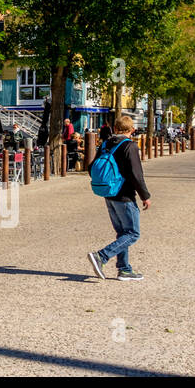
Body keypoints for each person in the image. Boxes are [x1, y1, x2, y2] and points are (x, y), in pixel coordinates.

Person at [87, 115, 150, 282]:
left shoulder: (106, 144)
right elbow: (136, 174)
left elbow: (91, 166)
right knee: (133, 233)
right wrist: (145, 195)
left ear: (115, 129)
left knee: (122, 233)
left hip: (109, 194)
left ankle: (124, 269)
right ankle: (101, 256)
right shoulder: (129, 146)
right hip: (124, 195)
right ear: (132, 130)